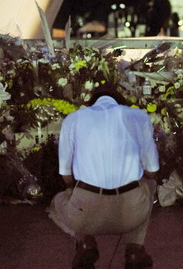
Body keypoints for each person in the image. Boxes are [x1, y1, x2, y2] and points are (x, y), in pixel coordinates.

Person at [49, 84, 159, 269]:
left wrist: (75, 187)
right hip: (130, 213)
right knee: (149, 184)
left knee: (60, 199)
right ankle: (134, 249)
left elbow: (65, 174)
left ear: (91, 103)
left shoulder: (73, 119)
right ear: (120, 102)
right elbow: (153, 171)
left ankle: (84, 242)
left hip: (85, 215)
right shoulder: (138, 116)